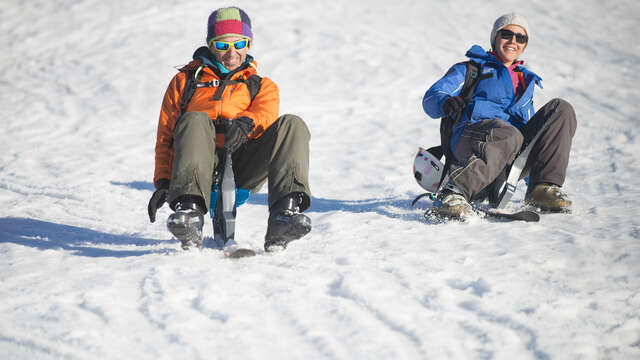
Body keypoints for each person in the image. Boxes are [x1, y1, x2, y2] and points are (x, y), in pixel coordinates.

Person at [147, 7, 312, 251]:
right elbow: (166, 134)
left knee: (293, 124)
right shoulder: (186, 82)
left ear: (249, 43)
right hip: (198, 161)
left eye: (239, 44)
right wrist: (163, 181)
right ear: (210, 45)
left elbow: (266, 114)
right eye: (222, 45)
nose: (232, 53)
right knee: (194, 119)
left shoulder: (261, 85)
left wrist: (246, 123)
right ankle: (190, 212)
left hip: (243, 161)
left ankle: (284, 216)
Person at [422, 13, 576, 218]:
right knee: (508, 133)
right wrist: (446, 102)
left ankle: (543, 189)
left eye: (520, 37)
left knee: (561, 109)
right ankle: (453, 193)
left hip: (509, 148)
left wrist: (534, 176)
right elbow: (431, 98)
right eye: (507, 34)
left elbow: (535, 137)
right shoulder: (471, 69)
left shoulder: (525, 81)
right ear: (495, 37)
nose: (513, 41)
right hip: (473, 140)